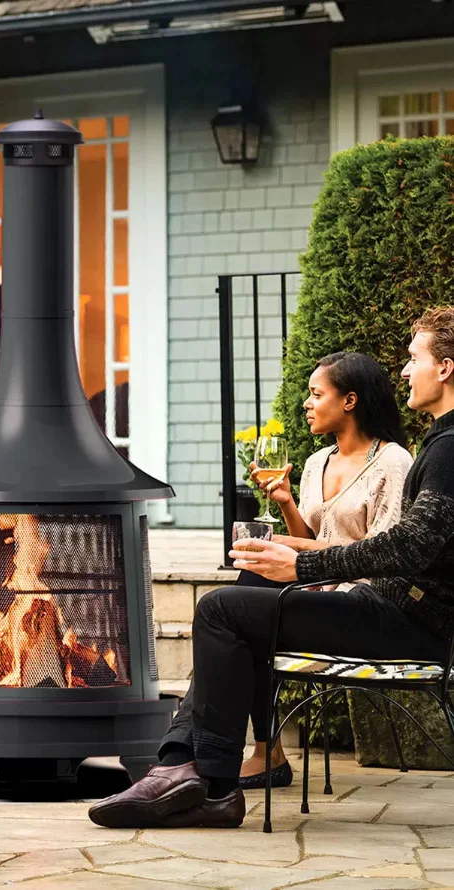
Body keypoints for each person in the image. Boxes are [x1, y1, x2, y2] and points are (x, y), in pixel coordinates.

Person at [88, 307, 454, 830]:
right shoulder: (440, 444)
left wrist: (305, 565)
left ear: (445, 368)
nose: (403, 371)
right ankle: (192, 770)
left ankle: (199, 778)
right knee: (235, 605)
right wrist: (284, 549)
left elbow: (408, 547)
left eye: (414, 358)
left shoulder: (443, 449)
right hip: (392, 612)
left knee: (220, 611)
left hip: (404, 620)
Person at [236, 352, 412, 789]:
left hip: (361, 598)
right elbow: (312, 538)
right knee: (250, 585)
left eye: (316, 394)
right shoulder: (316, 462)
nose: (307, 404)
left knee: (243, 612)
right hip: (315, 587)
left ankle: (263, 751)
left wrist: (291, 548)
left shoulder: (393, 462)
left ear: (349, 400)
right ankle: (266, 749)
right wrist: (285, 503)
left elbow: (382, 554)